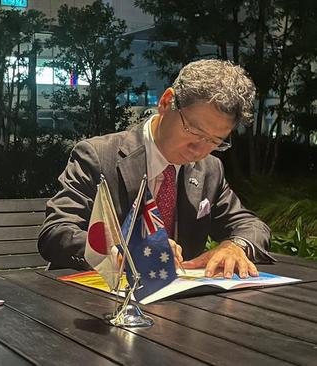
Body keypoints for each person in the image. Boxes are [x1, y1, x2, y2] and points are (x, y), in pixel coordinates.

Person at [39, 59, 275, 279]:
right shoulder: (98, 156)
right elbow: (57, 232)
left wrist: (235, 246)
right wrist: (121, 250)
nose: (199, 150)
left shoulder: (209, 169)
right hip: (92, 301)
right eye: (193, 131)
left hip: (176, 304)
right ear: (165, 102)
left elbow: (251, 226)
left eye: (215, 141)